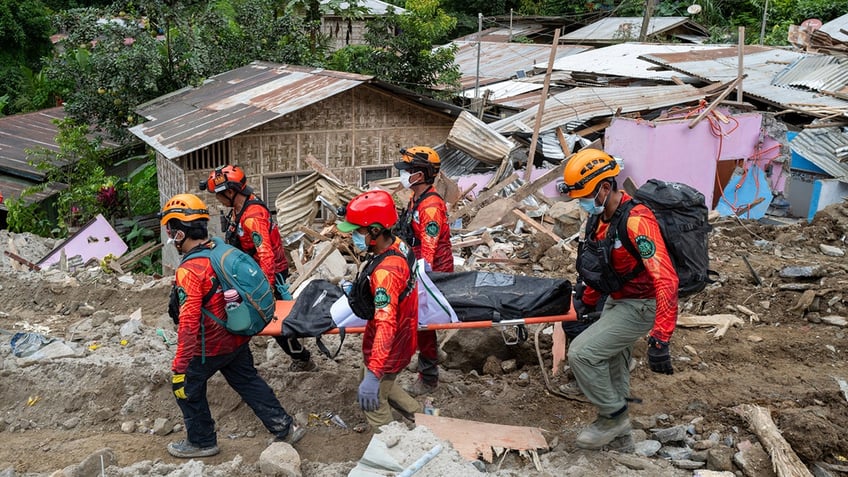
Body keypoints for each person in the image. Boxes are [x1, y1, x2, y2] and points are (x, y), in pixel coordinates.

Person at [160, 193, 305, 458]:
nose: (170, 236)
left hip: (209, 346)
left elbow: (189, 323)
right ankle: (286, 427)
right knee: (247, 380)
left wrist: (180, 366)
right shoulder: (220, 249)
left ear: (179, 233)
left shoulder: (191, 270)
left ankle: (202, 441)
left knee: (185, 388)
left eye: (171, 230)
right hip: (236, 337)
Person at [558, 149, 678, 450]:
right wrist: (585, 301)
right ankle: (622, 440)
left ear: (605, 187)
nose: (582, 204)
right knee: (614, 366)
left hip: (642, 305)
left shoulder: (637, 222)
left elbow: (666, 279)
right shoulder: (598, 221)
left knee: (582, 354)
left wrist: (661, 338)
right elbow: (604, 267)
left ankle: (613, 417)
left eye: (586, 196)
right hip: (616, 299)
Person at [200, 164, 316, 372]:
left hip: (266, 273)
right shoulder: (240, 208)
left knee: (272, 321)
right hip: (253, 272)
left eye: (218, 195)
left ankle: (302, 357)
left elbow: (266, 254)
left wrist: (266, 287)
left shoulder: (253, 217)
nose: (217, 200)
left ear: (230, 192)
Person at [336, 190, 422, 431]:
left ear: (375, 231)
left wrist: (374, 374)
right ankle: (424, 417)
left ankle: (394, 449)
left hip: (390, 343)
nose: (352, 235)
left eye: (357, 230)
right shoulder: (399, 245)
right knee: (380, 381)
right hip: (402, 335)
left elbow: (386, 324)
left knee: (372, 401)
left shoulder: (386, 272)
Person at [393, 146, 453, 396]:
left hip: (432, 272)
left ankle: (429, 377)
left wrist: (421, 274)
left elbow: (429, 245)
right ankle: (430, 355)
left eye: (408, 170)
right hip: (417, 266)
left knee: (422, 323)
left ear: (421, 174)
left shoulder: (430, 207)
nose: (404, 174)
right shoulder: (415, 199)